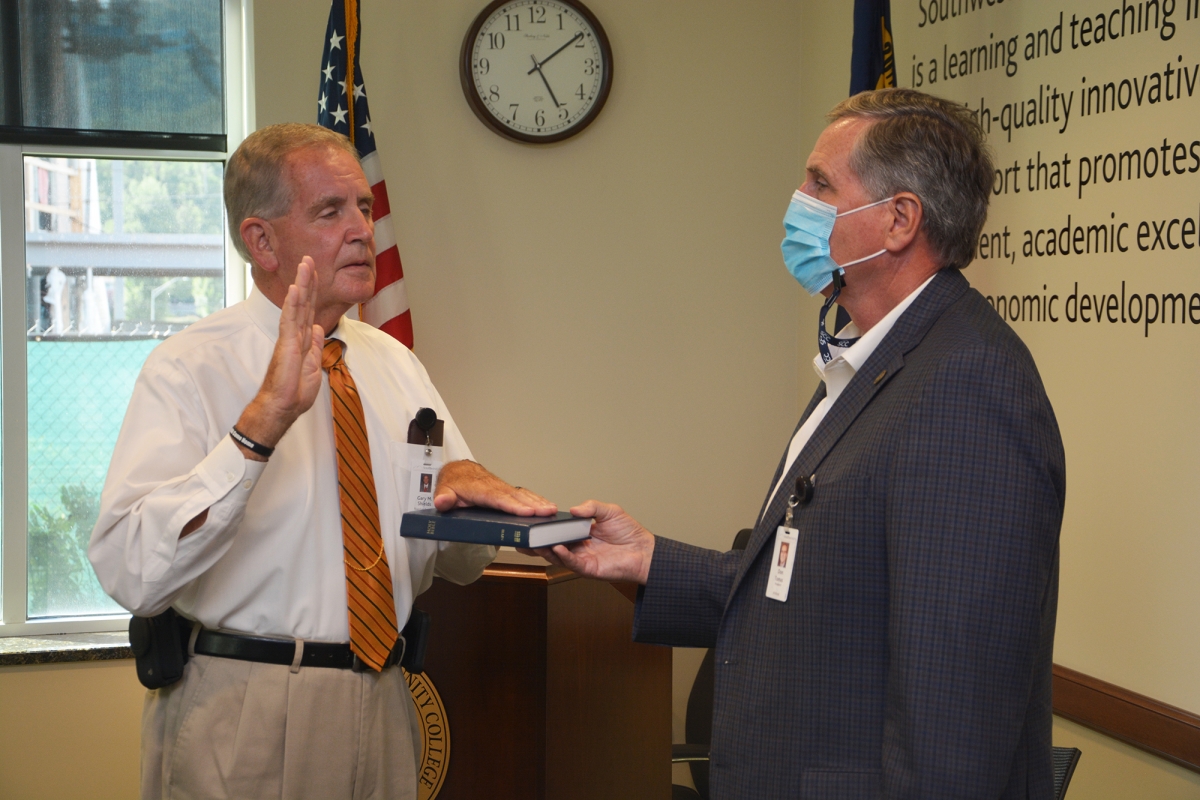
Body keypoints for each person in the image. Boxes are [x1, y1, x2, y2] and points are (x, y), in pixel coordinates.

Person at [537, 89, 1066, 798]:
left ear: (899, 219)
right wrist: (644, 560)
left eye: (820, 184)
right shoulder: (876, 361)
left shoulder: (966, 382)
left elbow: (952, 710)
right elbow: (815, 588)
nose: (797, 200)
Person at [89, 122, 555, 800]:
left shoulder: (393, 363)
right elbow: (130, 568)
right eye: (330, 211)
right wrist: (260, 429)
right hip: (248, 705)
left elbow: (457, 559)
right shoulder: (189, 367)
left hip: (386, 698)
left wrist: (475, 496)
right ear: (262, 240)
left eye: (363, 207)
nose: (363, 229)